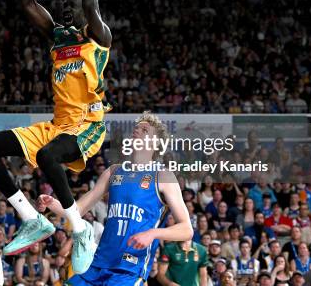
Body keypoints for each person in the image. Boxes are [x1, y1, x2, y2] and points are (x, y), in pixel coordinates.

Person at [0, 0, 111, 274]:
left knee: (49, 156)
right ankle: (31, 218)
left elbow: (91, 4)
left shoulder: (99, 38)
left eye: (71, 5)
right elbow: (27, 1)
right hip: (56, 124)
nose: (66, 8)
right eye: (64, 5)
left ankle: (80, 230)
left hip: (87, 126)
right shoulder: (56, 40)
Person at [37, 112, 194, 286]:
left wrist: (153, 233)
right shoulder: (113, 171)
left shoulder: (162, 175)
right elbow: (78, 209)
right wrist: (53, 203)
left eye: (144, 130)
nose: (137, 130)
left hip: (129, 269)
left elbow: (187, 229)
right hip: (98, 263)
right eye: (137, 127)